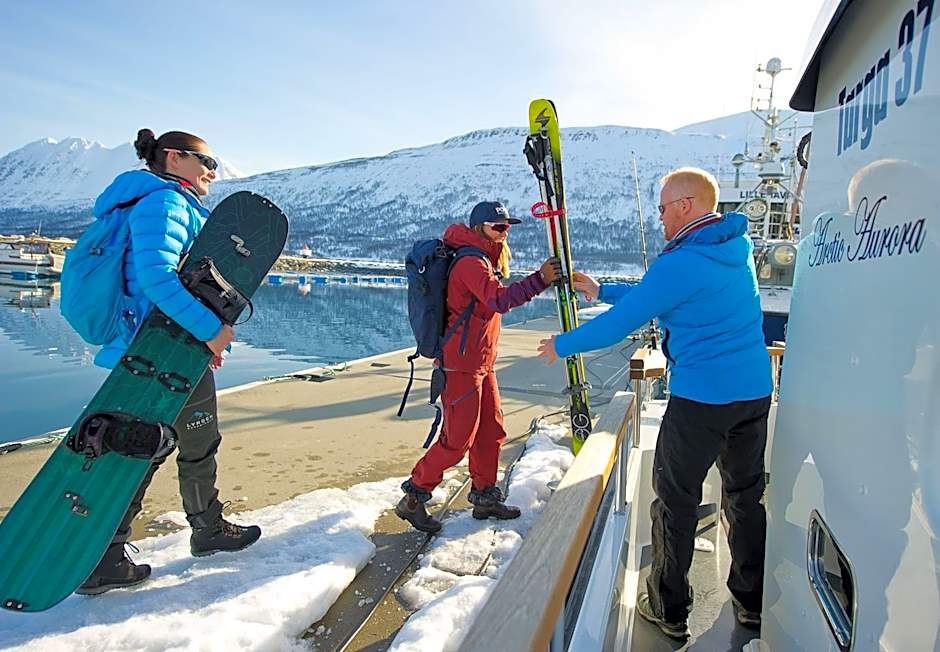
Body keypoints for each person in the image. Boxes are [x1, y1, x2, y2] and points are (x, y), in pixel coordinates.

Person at [537, 167, 772, 639]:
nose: (661, 217)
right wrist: (602, 290)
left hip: (702, 400)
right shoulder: (734, 250)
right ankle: (751, 603)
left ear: (686, 206)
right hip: (754, 394)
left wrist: (561, 345)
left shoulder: (681, 263)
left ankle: (667, 608)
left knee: (675, 502)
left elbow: (621, 323)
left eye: (664, 207)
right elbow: (659, 296)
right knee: (745, 497)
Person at [76, 129, 261, 596]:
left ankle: (201, 528)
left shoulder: (163, 201)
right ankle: (106, 555)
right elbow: (158, 280)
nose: (213, 172)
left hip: (169, 346)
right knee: (150, 446)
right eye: (207, 161)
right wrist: (210, 332)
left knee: (188, 439)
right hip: (158, 348)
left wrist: (204, 343)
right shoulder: (165, 203)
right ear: (175, 158)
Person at [396, 201, 561, 533]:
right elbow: (499, 299)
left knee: (491, 431)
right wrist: (540, 280)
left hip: (481, 363)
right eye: (497, 227)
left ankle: (485, 497)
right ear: (478, 228)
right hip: (460, 366)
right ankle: (414, 497)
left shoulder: (483, 258)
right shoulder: (471, 261)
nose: (504, 233)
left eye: (507, 227)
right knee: (457, 440)